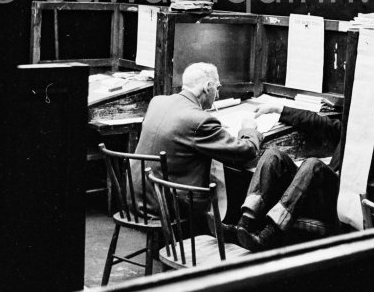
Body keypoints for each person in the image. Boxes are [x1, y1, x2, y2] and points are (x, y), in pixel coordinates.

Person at [134, 62, 262, 220]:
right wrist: (249, 129)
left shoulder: (157, 102)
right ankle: (227, 235)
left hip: (137, 196)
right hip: (166, 204)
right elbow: (246, 151)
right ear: (209, 86)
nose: (218, 96)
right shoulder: (200, 120)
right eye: (218, 88)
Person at [237, 100, 342, 252]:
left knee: (313, 165)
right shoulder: (352, 126)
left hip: (337, 197)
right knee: (272, 155)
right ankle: (245, 223)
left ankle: (270, 235)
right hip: (318, 191)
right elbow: (315, 120)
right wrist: (277, 108)